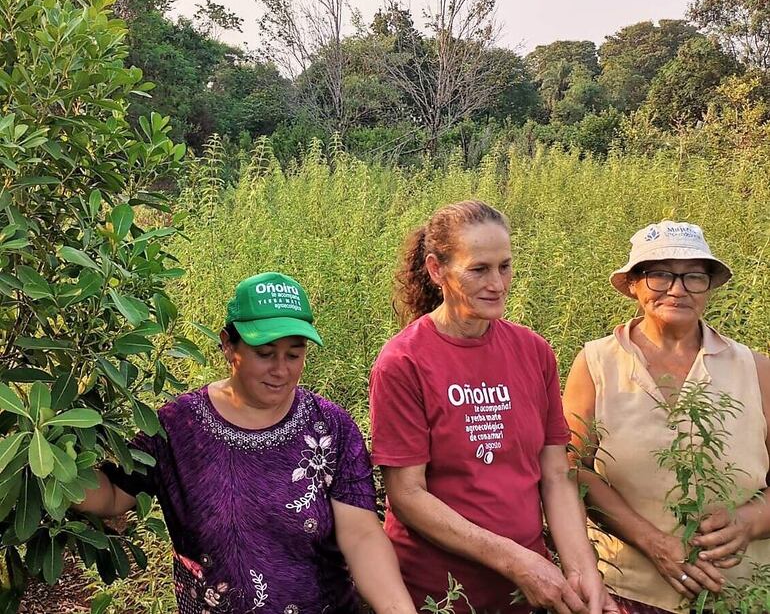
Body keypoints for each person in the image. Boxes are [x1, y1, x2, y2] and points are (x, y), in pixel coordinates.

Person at [75, 271, 417, 614]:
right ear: (227, 344)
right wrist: (46, 457)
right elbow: (113, 496)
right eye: (265, 353)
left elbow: (361, 536)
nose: (281, 370)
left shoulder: (330, 428)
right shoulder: (177, 427)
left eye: (294, 355)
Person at [368, 200, 615, 614]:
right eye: (479, 269)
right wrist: (515, 560)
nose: (497, 283)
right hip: (440, 594)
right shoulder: (404, 361)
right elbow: (408, 495)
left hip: (526, 592)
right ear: (436, 270)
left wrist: (581, 570)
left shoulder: (533, 352)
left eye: (505, 266)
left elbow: (555, 473)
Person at [562, 220, 770, 614]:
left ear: (709, 286)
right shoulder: (597, 363)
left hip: (743, 595)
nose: (677, 289)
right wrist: (652, 542)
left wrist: (748, 522)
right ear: (635, 285)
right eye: (659, 275)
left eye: (694, 277)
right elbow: (570, 470)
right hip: (626, 591)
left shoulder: (755, 369)